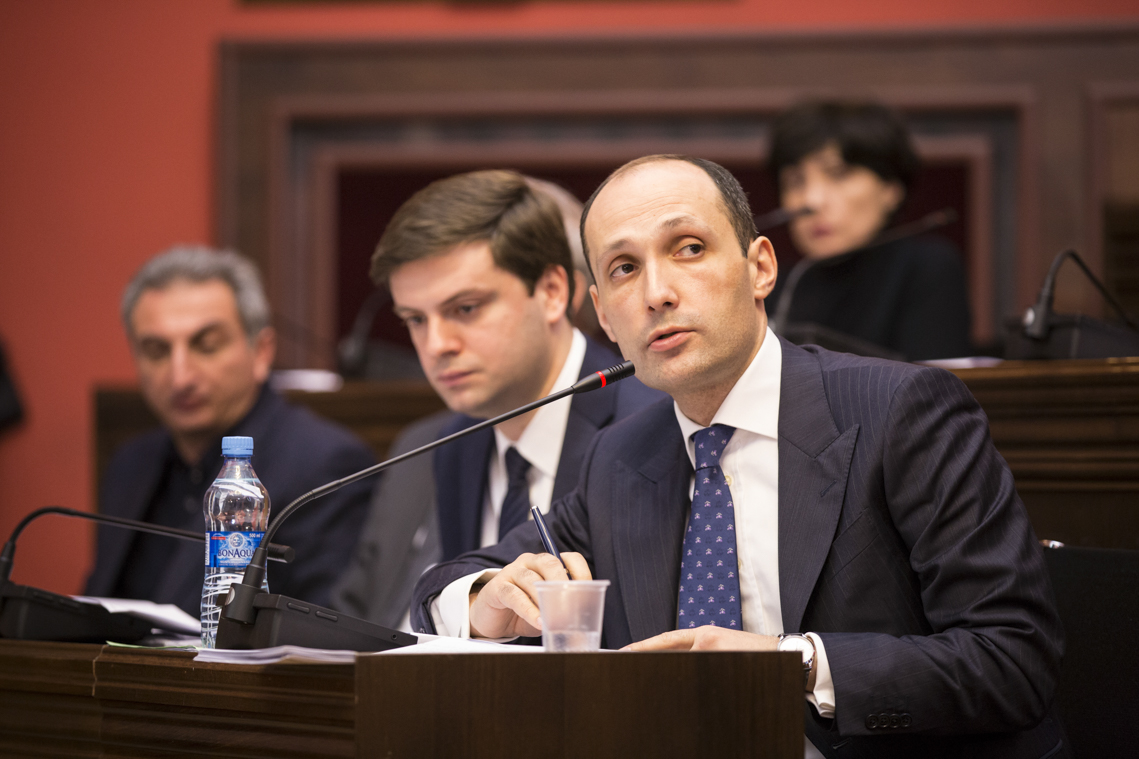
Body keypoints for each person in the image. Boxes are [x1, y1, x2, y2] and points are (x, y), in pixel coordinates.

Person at [411, 156, 1067, 758]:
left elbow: (1012, 658)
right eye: (623, 268)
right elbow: (444, 585)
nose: (657, 292)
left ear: (760, 268)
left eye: (688, 248)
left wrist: (789, 664)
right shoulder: (621, 456)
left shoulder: (899, 411)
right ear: (604, 317)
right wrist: (485, 600)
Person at [329, 170, 662, 630]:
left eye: (465, 309)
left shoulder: (649, 423)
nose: (436, 345)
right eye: (416, 320)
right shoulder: (451, 444)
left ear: (552, 292)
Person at [85, 247, 373, 617]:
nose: (180, 377)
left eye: (206, 346)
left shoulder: (324, 464)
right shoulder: (130, 463)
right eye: (156, 351)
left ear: (262, 351)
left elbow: (325, 630)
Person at [768, 101, 973, 361]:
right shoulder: (775, 286)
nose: (812, 201)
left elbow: (934, 382)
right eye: (795, 181)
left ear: (891, 189)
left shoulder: (926, 269)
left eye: (838, 174)